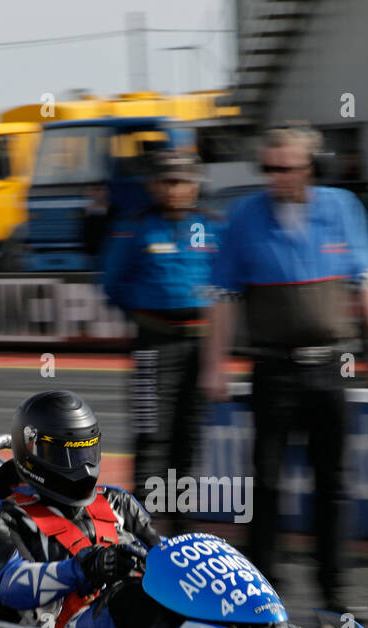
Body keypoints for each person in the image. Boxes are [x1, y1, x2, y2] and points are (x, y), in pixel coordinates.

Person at [199, 122, 368, 616]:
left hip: (331, 368)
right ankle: (263, 594)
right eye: (267, 168)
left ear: (310, 168)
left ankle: (335, 594)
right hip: (273, 370)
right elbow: (223, 297)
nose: (275, 177)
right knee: (266, 481)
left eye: (285, 168)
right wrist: (215, 365)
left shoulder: (342, 209)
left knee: (332, 481)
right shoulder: (243, 216)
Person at [0, 390, 177, 628]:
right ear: (32, 452)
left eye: (86, 453)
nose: (84, 468)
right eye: (68, 456)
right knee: (137, 602)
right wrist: (85, 567)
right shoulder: (0, 516)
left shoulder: (116, 501)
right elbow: (11, 585)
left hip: (125, 613)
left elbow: (162, 550)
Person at [101, 148, 220, 533]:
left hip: (201, 348)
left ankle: (183, 528)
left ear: (195, 184)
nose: (174, 189)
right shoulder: (135, 227)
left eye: (182, 181)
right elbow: (111, 283)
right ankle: (142, 530)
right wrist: (146, 316)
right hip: (154, 346)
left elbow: (228, 282)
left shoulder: (213, 226)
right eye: (167, 181)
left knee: (188, 438)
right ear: (153, 186)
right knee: (151, 436)